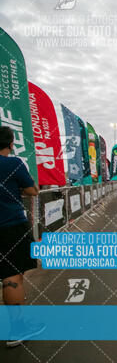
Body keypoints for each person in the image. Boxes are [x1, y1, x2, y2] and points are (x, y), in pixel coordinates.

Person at [0, 127, 45, 347]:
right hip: (9, 227)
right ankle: (18, 329)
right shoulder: (12, 164)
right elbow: (33, 190)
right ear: (10, 144)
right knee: (12, 277)